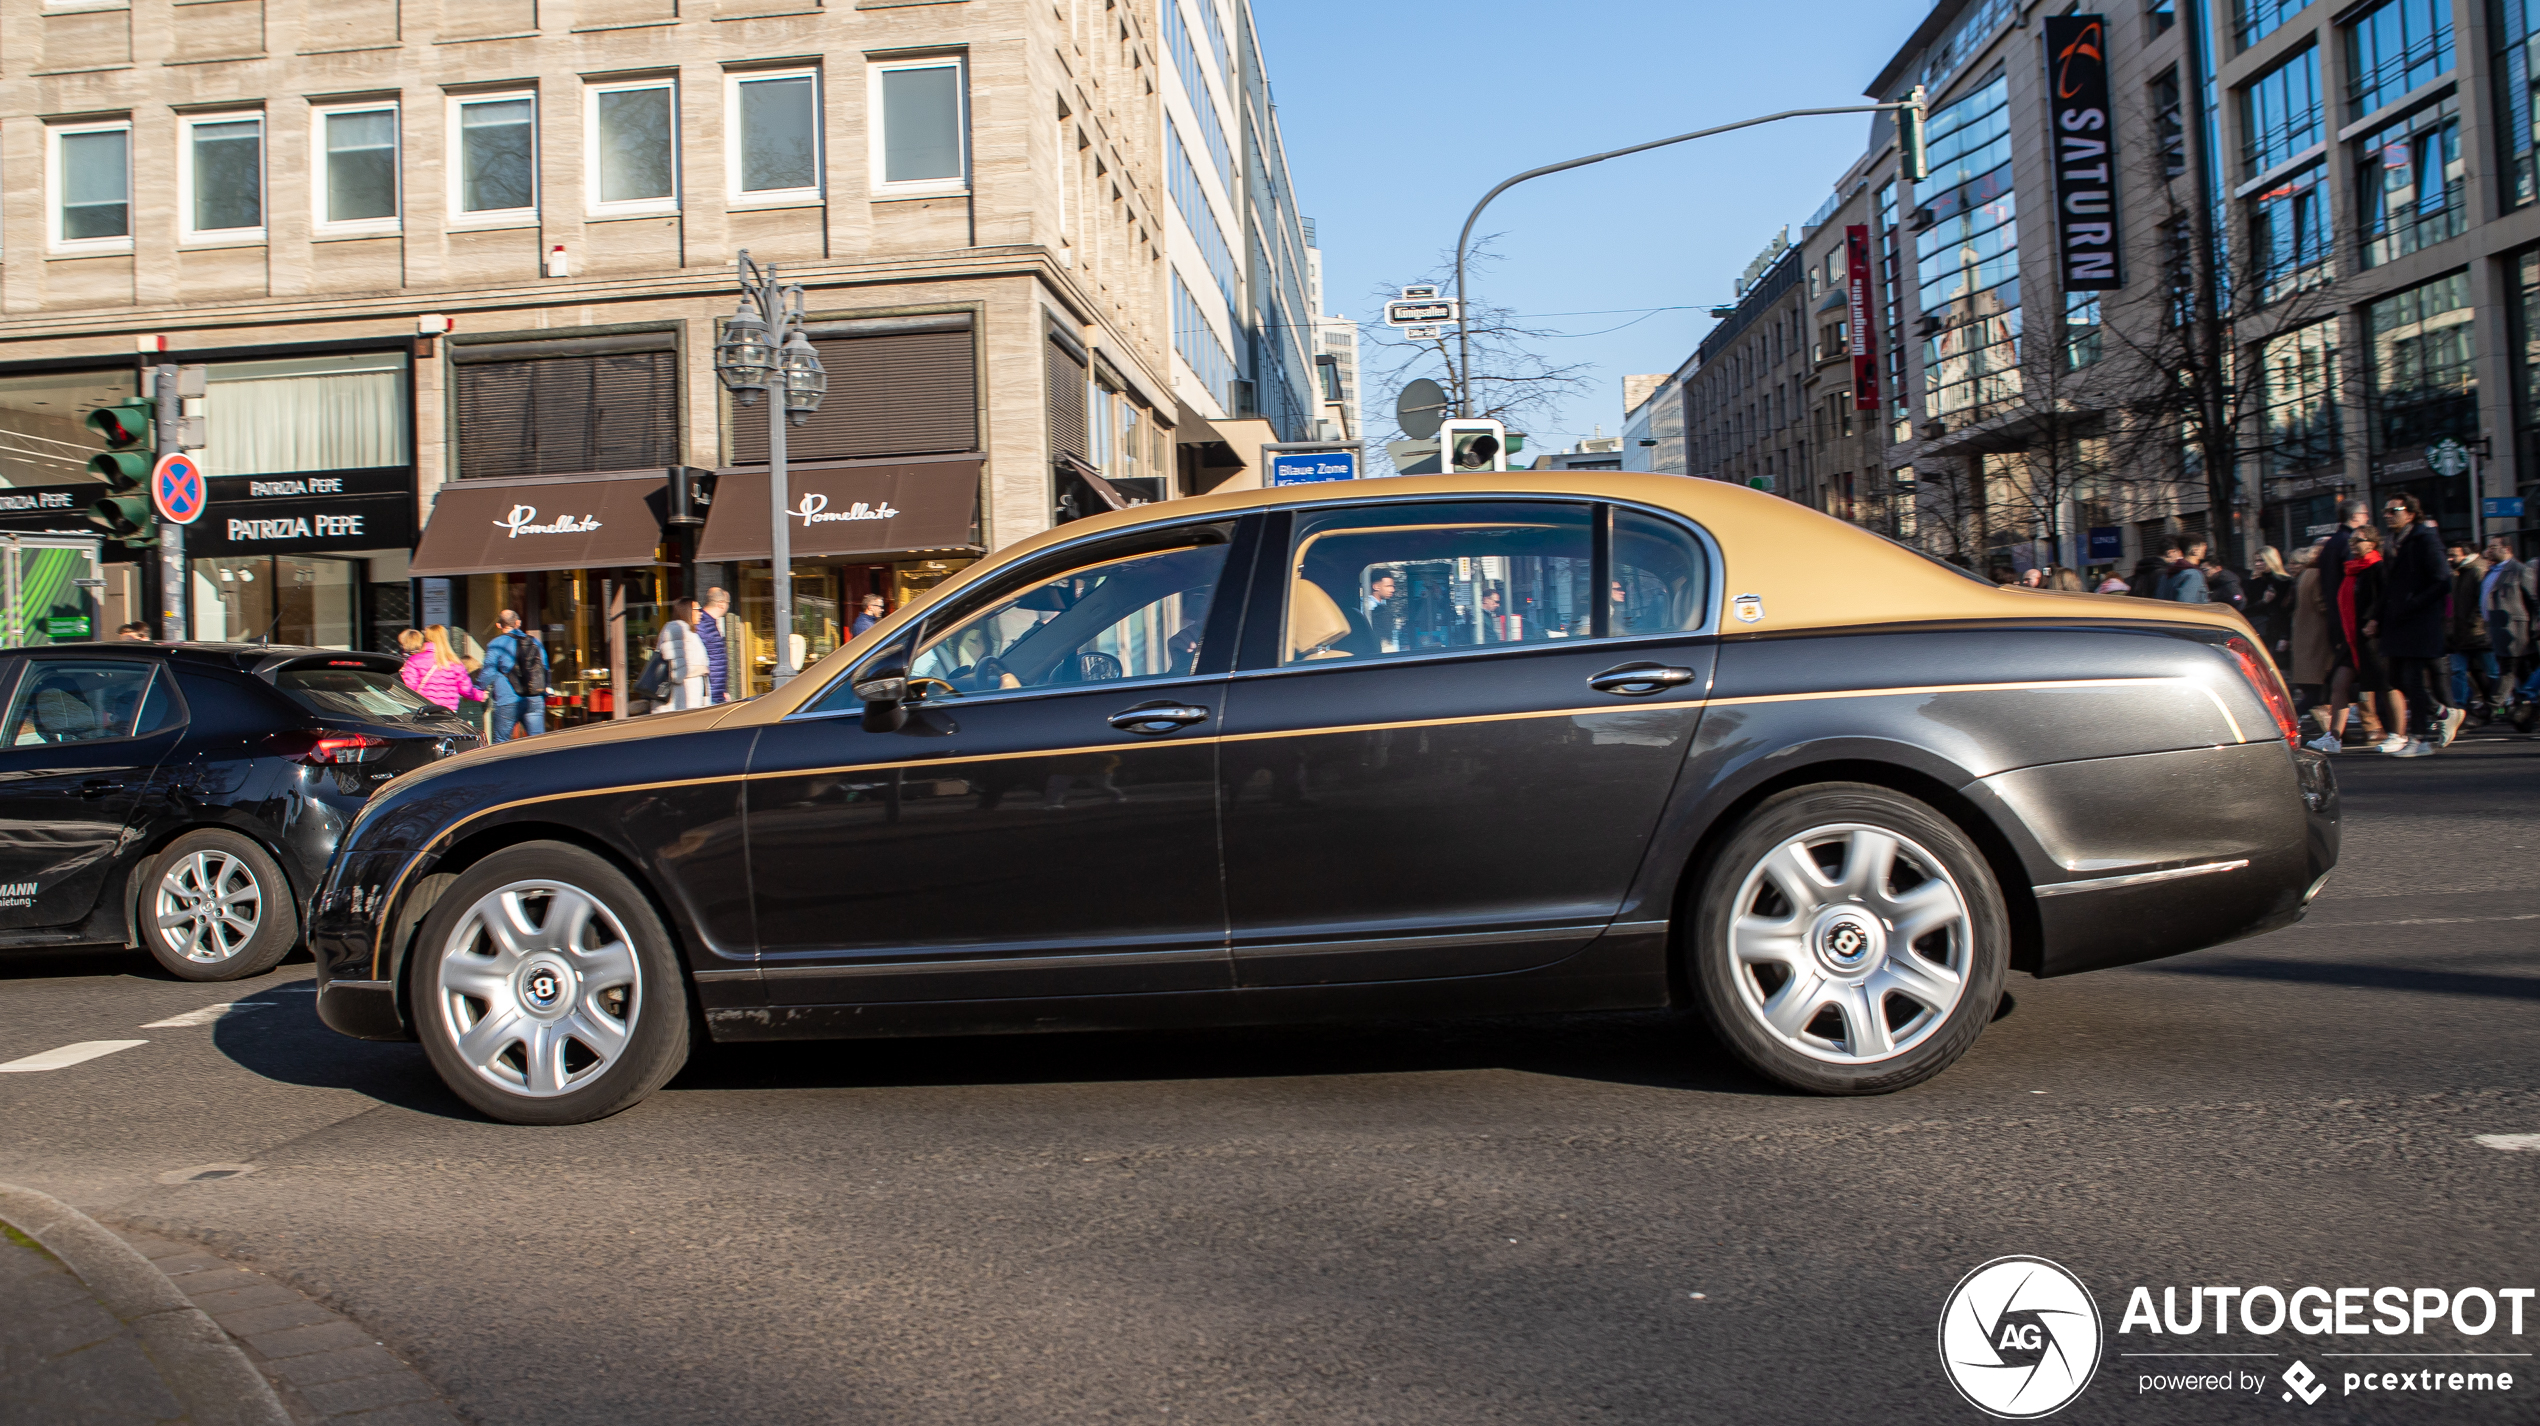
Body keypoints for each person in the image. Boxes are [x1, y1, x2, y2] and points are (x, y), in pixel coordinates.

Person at [2371, 493, 2461, 756]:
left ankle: (2419, 739)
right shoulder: (2393, 541)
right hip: (2396, 620)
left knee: (2413, 678)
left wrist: (2413, 603)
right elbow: (2388, 586)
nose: (2388, 515)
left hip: (2419, 620)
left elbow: (2442, 580)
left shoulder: (2425, 539)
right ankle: (2444, 712)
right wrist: (2377, 616)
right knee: (2395, 678)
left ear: (2410, 513)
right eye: (2385, 510)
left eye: (2394, 510)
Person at [2483, 535, 2538, 729]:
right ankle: (2525, 717)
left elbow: (2533, 600)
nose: (2489, 551)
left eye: (2493, 547)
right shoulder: (2491, 571)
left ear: (2506, 548)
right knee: (2522, 675)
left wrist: (2535, 627)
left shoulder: (2521, 570)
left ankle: (2492, 709)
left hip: (2517, 632)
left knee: (2508, 672)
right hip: (2497, 631)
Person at [475, 610, 547, 743]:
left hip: (507, 700)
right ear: (518, 623)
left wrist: (478, 688)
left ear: (499, 625)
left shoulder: (496, 644)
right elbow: (545, 668)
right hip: (534, 699)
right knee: (539, 743)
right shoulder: (534, 642)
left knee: (501, 743)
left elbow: (489, 672)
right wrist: (544, 690)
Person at [2446, 542, 2498, 716]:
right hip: (2461, 634)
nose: (2450, 558)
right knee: (2458, 671)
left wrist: (2473, 623)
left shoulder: (2477, 571)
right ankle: (2459, 707)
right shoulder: (2459, 572)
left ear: (2466, 555)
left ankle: (2497, 703)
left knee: (2492, 671)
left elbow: (2481, 602)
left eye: (2454, 554)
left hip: (2477, 633)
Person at [403, 624, 483, 713]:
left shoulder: (414, 660)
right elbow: (466, 689)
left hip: (424, 710)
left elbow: (409, 689)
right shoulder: (455, 662)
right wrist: (480, 695)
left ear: (426, 637)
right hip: (448, 711)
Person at [655, 598, 710, 712]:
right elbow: (677, 673)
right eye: (697, 609)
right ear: (687, 611)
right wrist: (702, 669)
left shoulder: (689, 632)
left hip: (688, 701)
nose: (701, 613)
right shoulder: (676, 630)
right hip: (680, 702)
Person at [2245, 546, 2296, 661]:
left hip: (2278, 632)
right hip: (2259, 631)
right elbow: (2246, 610)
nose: (2258, 564)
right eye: (2256, 561)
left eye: (2261, 560)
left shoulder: (2285, 582)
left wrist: (2285, 637)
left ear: (2271, 560)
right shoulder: (2253, 583)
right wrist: (2263, 602)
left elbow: (2287, 611)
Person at [696, 586, 733, 704]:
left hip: (714, 692)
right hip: (709, 694)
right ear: (721, 604)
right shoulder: (703, 625)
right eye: (728, 603)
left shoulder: (708, 623)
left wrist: (722, 691)